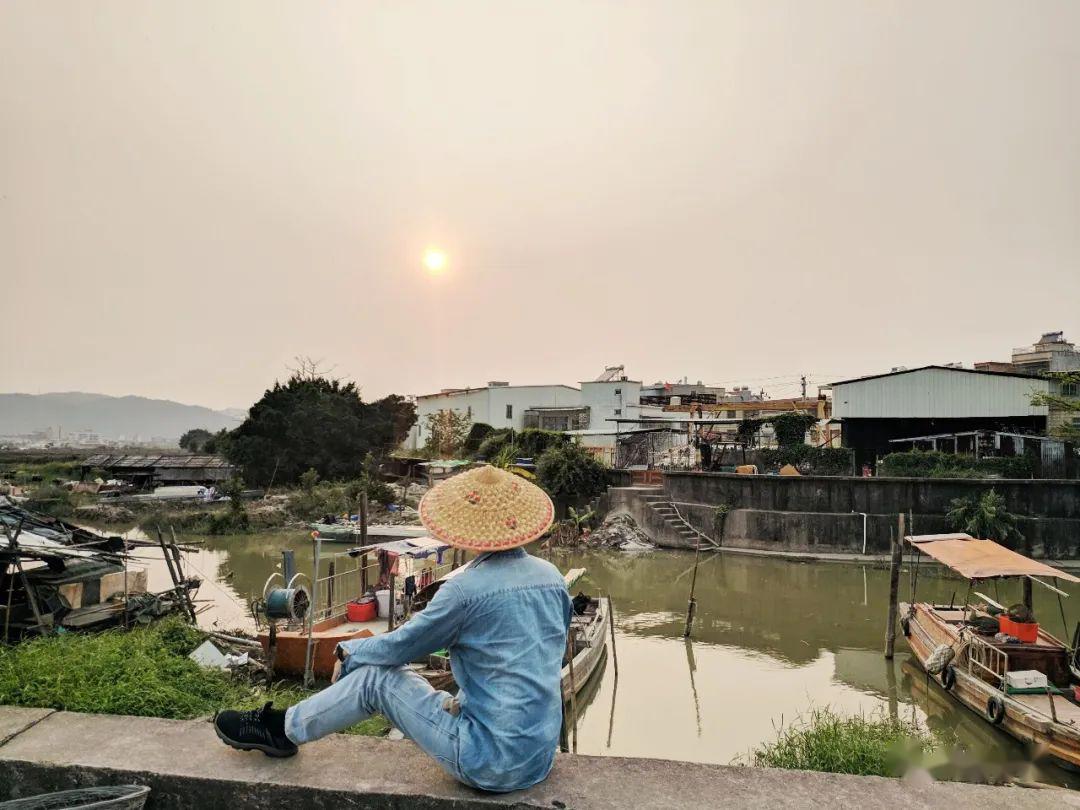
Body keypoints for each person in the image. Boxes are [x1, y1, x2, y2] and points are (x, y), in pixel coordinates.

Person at [214, 465, 572, 793]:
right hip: (538, 757)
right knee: (404, 676)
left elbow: (401, 646)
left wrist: (349, 651)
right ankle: (286, 724)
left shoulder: (464, 591)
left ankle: (280, 729)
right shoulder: (552, 578)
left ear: (465, 529)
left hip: (490, 762)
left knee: (376, 679)